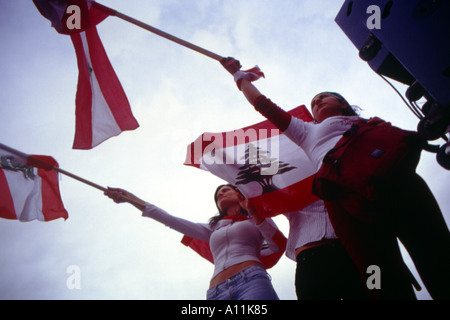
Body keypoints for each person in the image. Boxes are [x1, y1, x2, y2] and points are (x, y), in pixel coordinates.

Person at [220, 57, 450, 300]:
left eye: (323, 97)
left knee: (437, 252)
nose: (317, 101)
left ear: (341, 103)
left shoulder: (371, 123)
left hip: (396, 181)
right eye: (313, 102)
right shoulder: (306, 131)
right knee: (380, 275)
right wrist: (239, 76)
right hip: (346, 200)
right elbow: (263, 105)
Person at [104, 184, 285, 300]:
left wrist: (254, 212)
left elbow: (277, 245)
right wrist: (130, 198)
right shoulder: (213, 228)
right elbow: (169, 219)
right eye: (217, 195)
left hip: (251, 281)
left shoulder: (256, 216)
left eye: (225, 190)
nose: (220, 194)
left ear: (239, 193)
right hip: (216, 292)